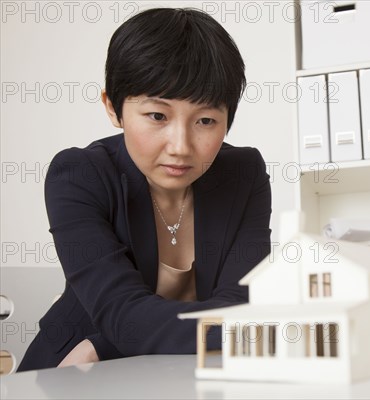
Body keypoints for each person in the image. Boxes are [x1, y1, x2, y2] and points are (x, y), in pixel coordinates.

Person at [17, 7, 271, 371]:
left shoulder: (244, 173)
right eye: (157, 116)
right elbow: (123, 315)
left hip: (180, 368)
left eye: (205, 120)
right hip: (71, 371)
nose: (181, 145)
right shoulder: (77, 175)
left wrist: (105, 345)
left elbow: (242, 303)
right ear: (112, 108)